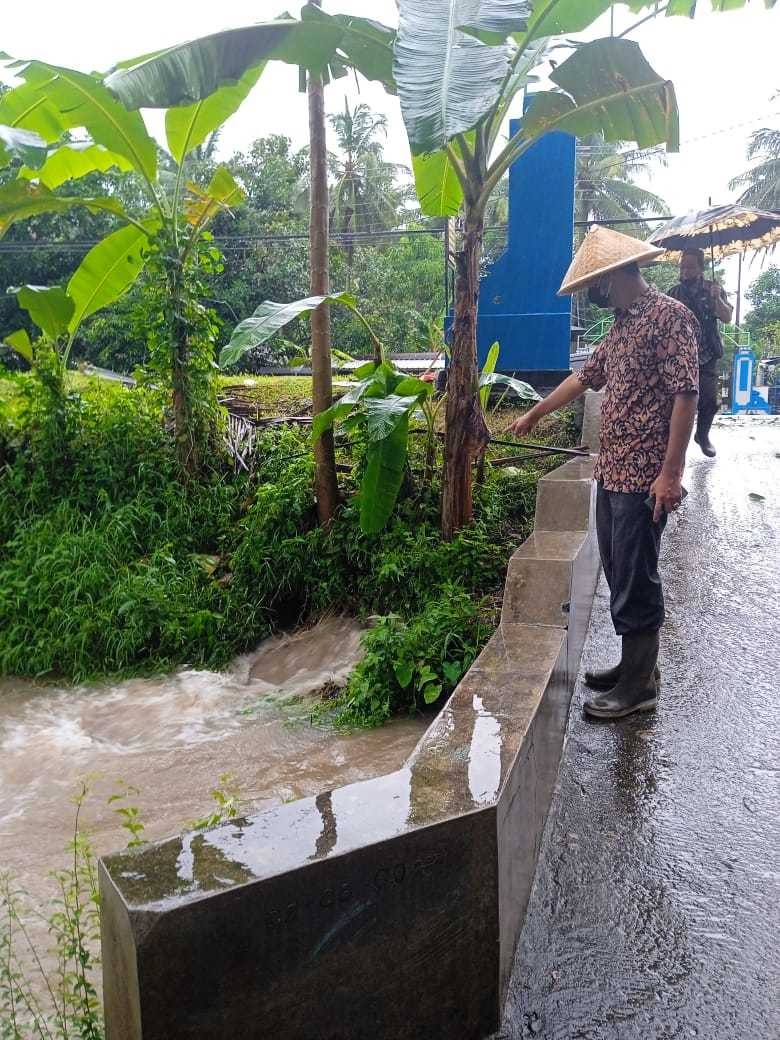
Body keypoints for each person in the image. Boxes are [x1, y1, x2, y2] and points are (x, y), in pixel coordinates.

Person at [507, 225, 700, 721]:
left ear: (617, 275)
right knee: (619, 570)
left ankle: (639, 688)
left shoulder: (668, 317)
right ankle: (635, 668)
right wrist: (535, 413)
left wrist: (671, 474)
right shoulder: (620, 327)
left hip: (644, 478)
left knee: (637, 576)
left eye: (598, 283)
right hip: (611, 471)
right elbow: (583, 378)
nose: (596, 293)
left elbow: (686, 395)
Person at [668, 247, 733, 458]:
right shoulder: (674, 293)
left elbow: (726, 317)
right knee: (674, 402)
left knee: (709, 401)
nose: (685, 271)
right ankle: (672, 447)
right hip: (679, 357)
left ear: (700, 268)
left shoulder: (712, 289)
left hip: (706, 356)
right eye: (682, 266)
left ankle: (702, 435)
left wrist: (718, 299)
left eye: (690, 266)